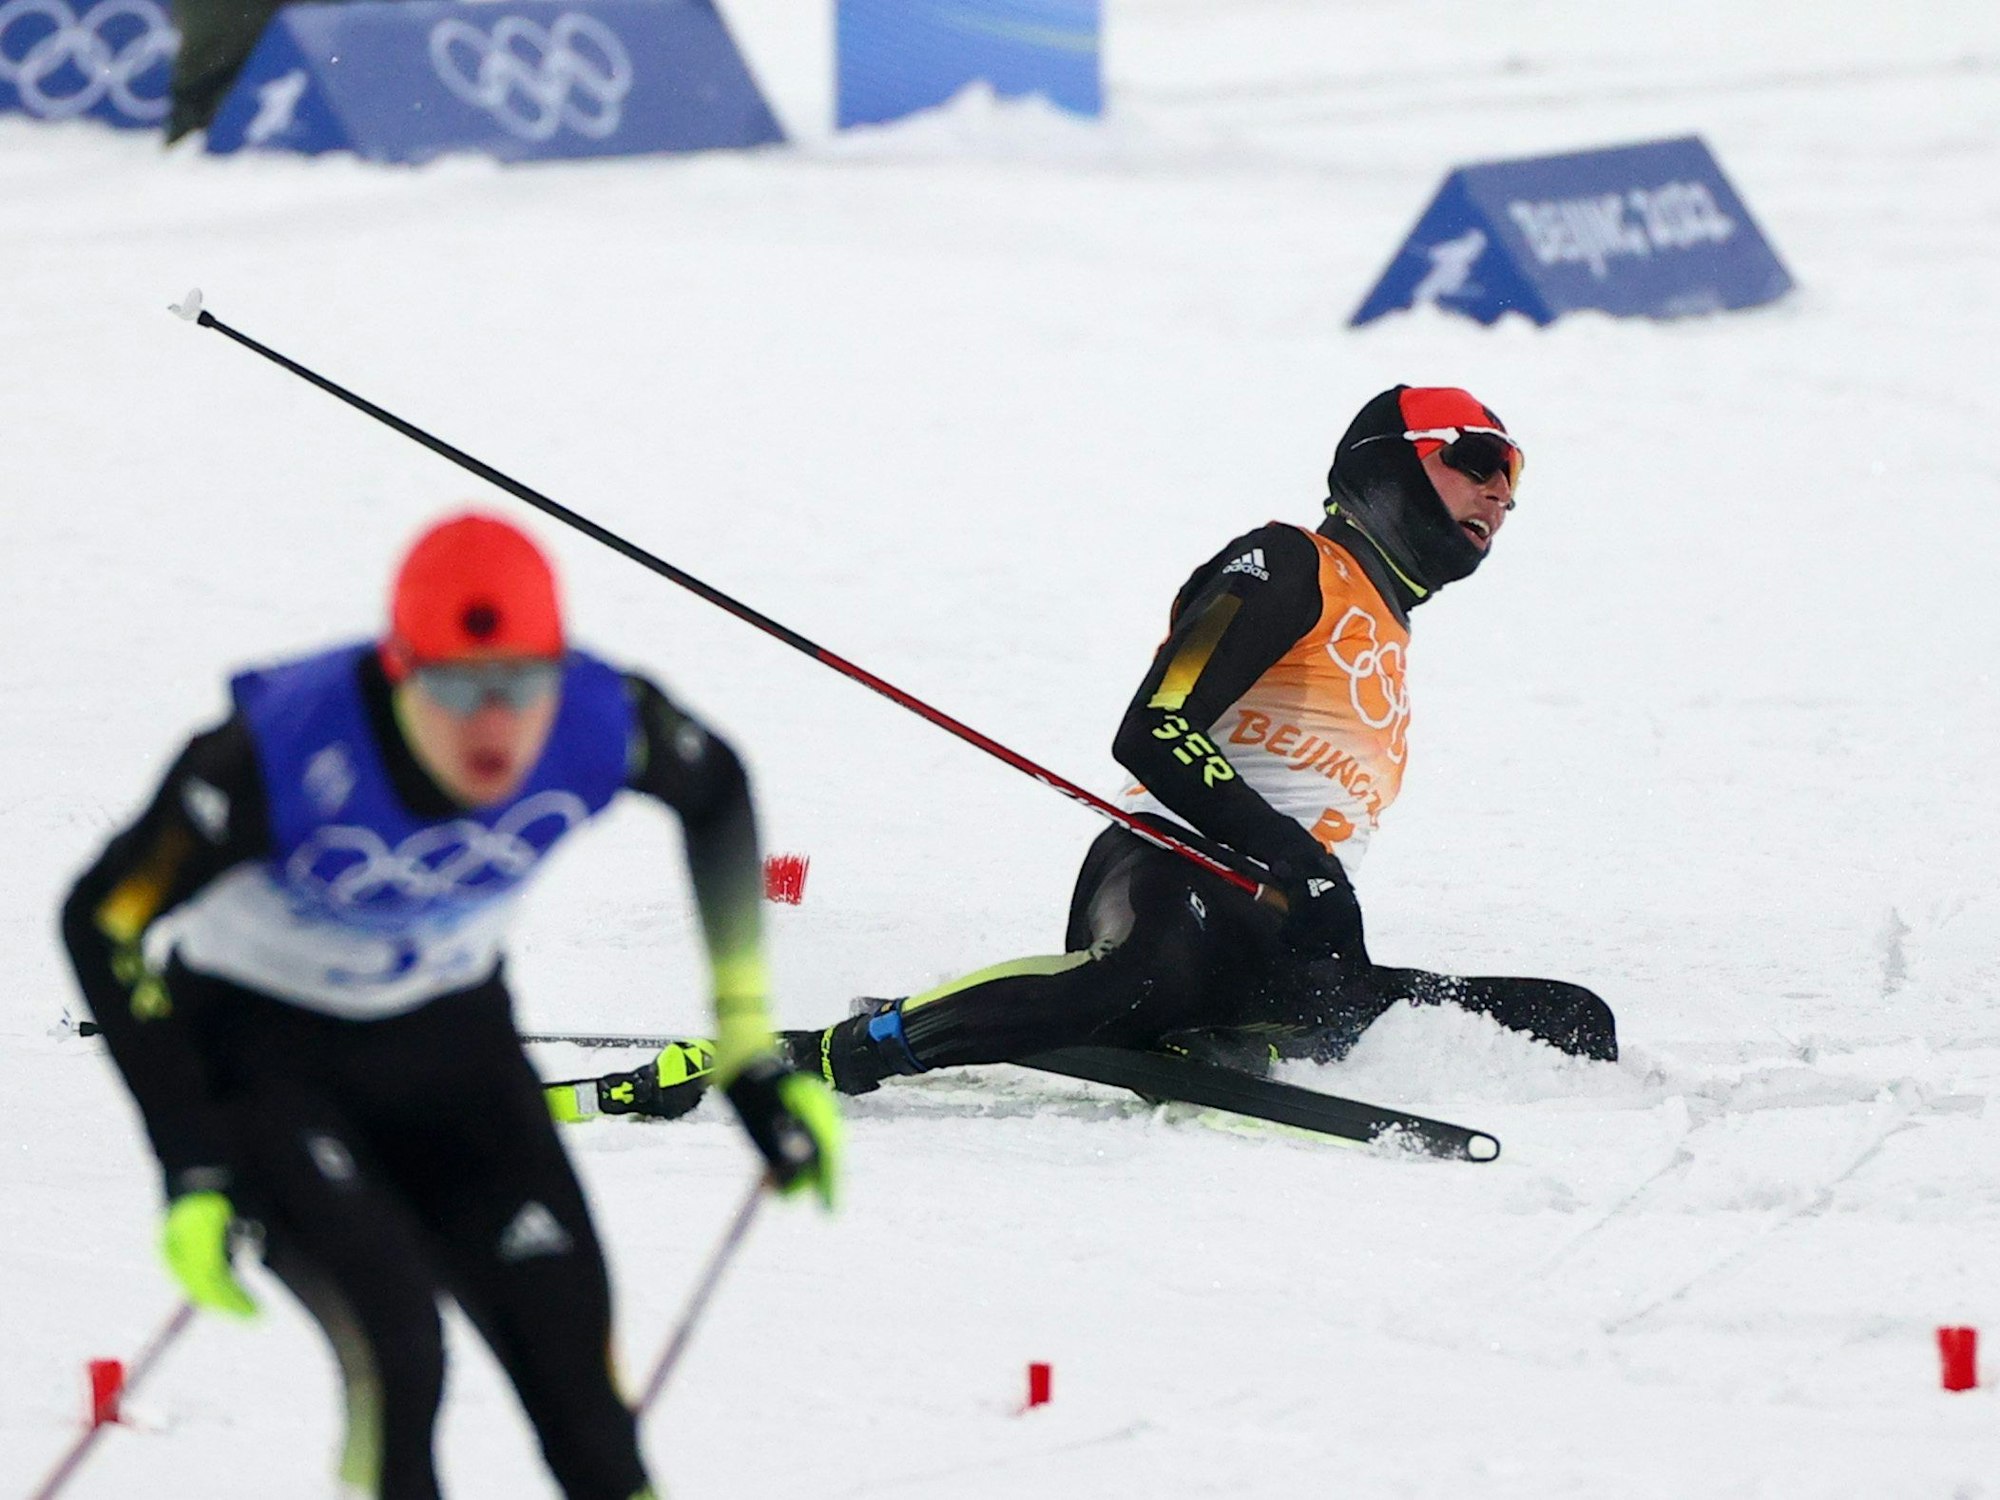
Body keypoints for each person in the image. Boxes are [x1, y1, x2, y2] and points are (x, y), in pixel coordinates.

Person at [565, 386, 1615, 1123]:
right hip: (1172, 874)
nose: (1498, 492)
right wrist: (1284, 849)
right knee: (1139, 979)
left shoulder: (1389, 626)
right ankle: (823, 1057)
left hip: (1285, 926)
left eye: (1511, 479)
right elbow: (1150, 727)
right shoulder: (1290, 562)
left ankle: (1198, 1015)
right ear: (1386, 462)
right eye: (1474, 460)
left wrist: (1307, 885)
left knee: (1568, 1023)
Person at [60, 512, 840, 1500]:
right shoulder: (279, 750)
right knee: (400, 1352)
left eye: (520, 687)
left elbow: (717, 789)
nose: (492, 724)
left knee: (581, 1394)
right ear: (398, 672)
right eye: (456, 689)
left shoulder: (599, 718)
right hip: (264, 1050)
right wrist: (191, 1151)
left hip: (447, 1040)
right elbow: (101, 919)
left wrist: (744, 1045)